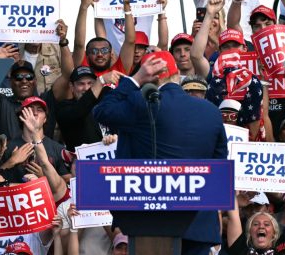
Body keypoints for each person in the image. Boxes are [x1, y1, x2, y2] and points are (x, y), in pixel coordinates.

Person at [93, 51, 228, 254]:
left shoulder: (143, 104)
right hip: (199, 221)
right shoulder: (210, 111)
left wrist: (136, 79)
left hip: (151, 223)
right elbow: (219, 164)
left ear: (152, 76)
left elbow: (102, 111)